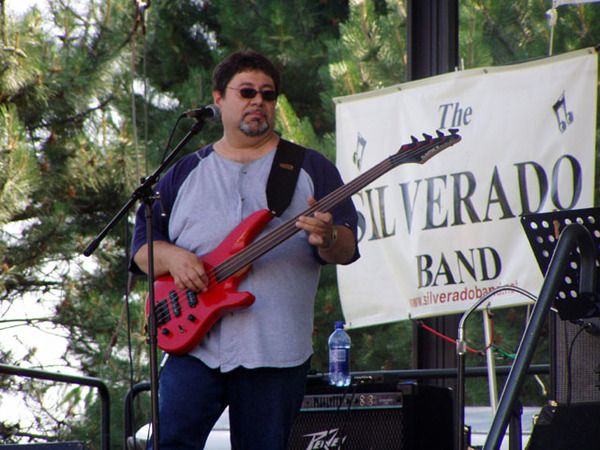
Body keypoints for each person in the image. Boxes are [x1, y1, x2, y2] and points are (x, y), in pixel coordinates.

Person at [130, 50, 359, 450]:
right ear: (218, 98)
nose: (259, 101)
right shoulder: (182, 173)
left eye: (268, 95)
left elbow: (347, 247)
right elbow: (142, 250)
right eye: (247, 92)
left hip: (274, 348)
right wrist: (174, 258)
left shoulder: (311, 168)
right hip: (193, 344)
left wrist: (328, 238)